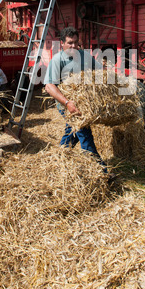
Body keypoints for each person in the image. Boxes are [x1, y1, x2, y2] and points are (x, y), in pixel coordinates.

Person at [44, 27, 112, 178]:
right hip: (66, 104)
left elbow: (100, 71)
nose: (73, 46)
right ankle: (101, 171)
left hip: (83, 103)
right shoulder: (57, 60)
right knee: (84, 133)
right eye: (70, 43)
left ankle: (60, 157)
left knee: (72, 131)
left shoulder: (84, 56)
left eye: (76, 42)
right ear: (62, 43)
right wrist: (67, 103)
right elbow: (49, 86)